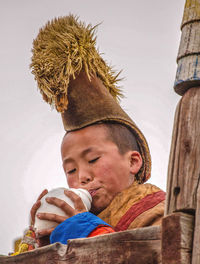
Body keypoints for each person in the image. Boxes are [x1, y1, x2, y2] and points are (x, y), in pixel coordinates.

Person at [13, 14, 165, 253]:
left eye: (93, 159)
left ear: (133, 161)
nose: (81, 177)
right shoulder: (70, 225)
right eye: (70, 170)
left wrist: (83, 227)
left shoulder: (158, 210)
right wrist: (44, 245)